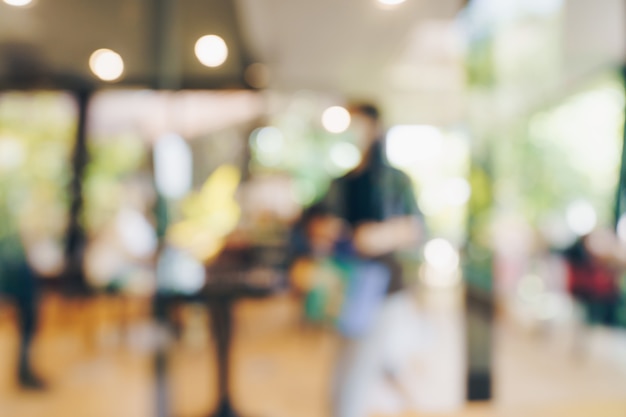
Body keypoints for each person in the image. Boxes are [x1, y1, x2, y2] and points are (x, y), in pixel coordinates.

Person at [291, 103, 424, 417]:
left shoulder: (395, 181)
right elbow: (308, 223)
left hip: (384, 289)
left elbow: (416, 228)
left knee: (356, 376)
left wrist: (379, 235)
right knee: (363, 368)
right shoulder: (340, 184)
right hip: (347, 286)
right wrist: (322, 230)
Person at [0, 233, 46, 389]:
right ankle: (24, 373)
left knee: (27, 333)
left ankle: (24, 372)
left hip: (21, 291)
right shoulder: (11, 243)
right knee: (27, 331)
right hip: (22, 292)